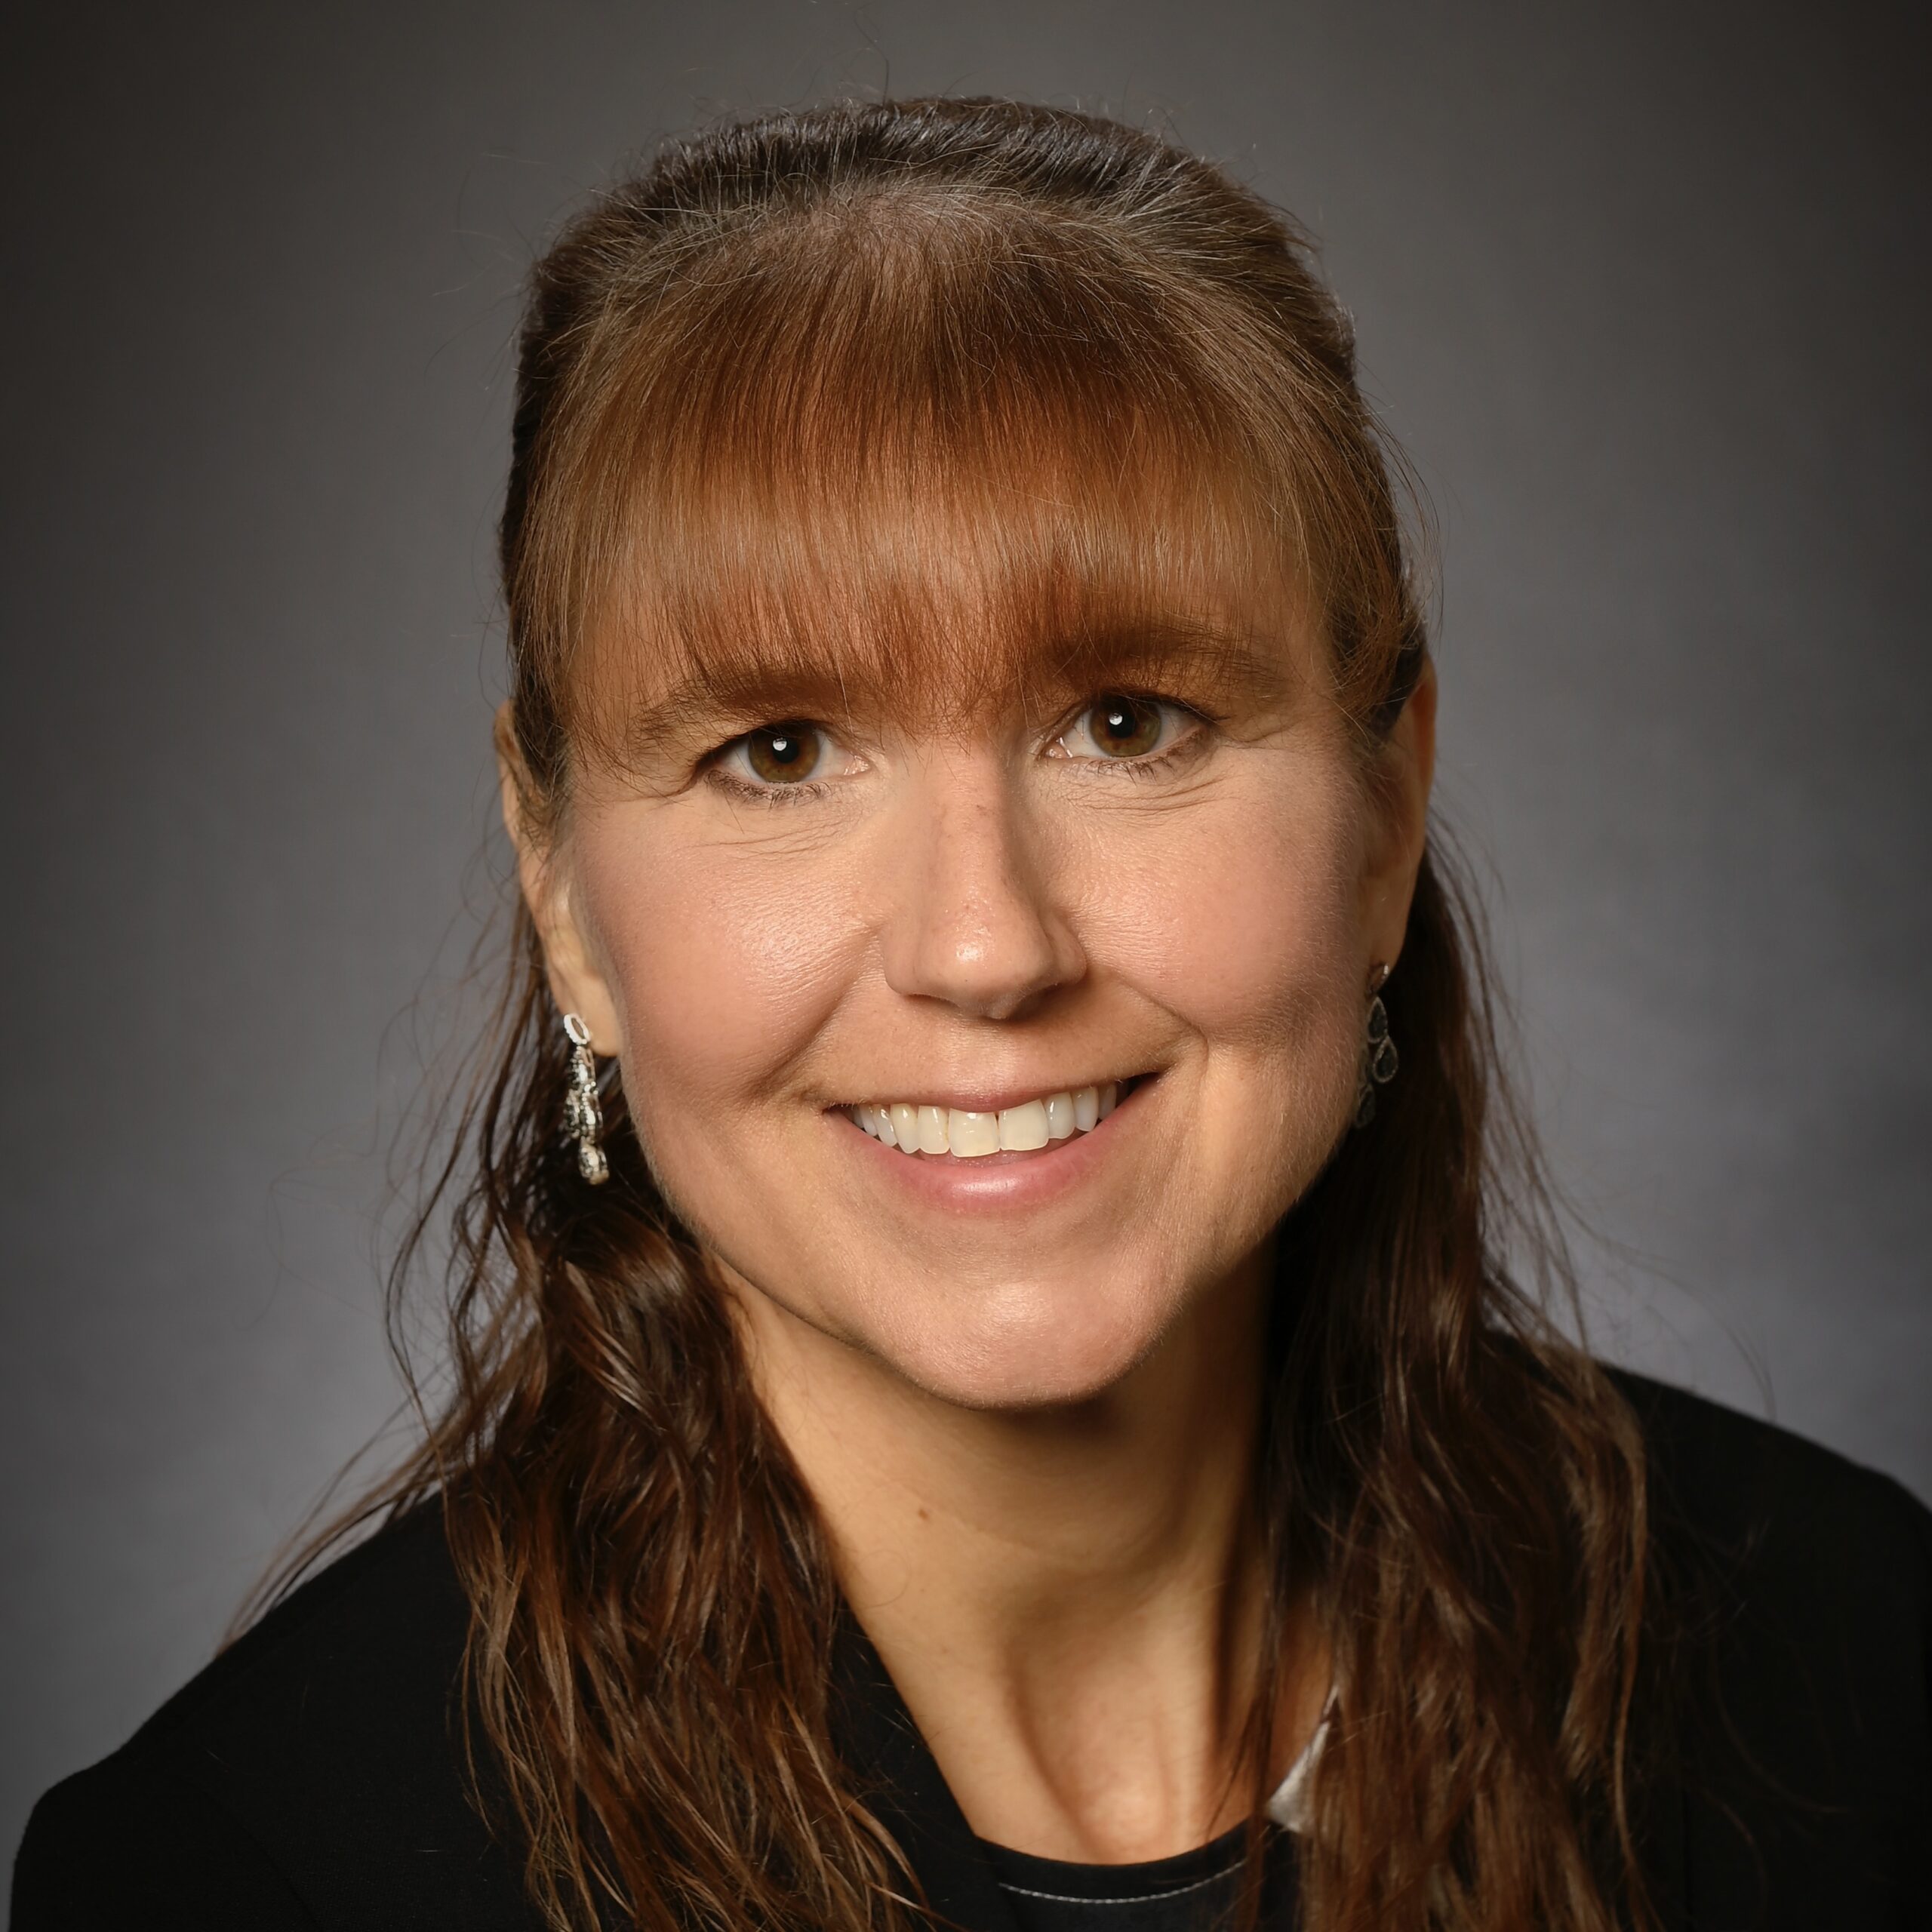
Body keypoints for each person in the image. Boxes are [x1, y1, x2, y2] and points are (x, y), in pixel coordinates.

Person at [13, 97, 1930, 1932]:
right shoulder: (244, 1882)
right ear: (559, 888)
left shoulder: (1854, 1669)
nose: (984, 945)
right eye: (777, 750)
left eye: (1124, 721)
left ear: (1382, 817)